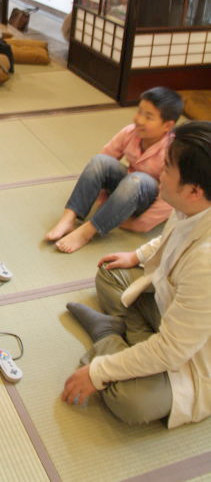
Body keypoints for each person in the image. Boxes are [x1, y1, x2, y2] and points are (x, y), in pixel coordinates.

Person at [61, 121, 211, 429]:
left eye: (167, 168)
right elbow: (171, 237)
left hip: (196, 352)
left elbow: (174, 350)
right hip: (174, 312)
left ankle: (108, 334)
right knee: (110, 274)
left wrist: (98, 372)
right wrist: (137, 255)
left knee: (131, 402)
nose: (159, 173)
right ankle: (129, 337)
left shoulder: (206, 261)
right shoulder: (194, 205)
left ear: (195, 191)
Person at [46, 87, 184, 252]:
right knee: (100, 161)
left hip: (145, 199)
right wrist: (104, 199)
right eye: (139, 111)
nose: (139, 120)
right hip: (126, 189)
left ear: (167, 125)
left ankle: (87, 232)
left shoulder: (172, 151)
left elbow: (169, 200)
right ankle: (69, 218)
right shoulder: (130, 132)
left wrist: (139, 224)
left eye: (149, 117)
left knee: (138, 179)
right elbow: (104, 163)